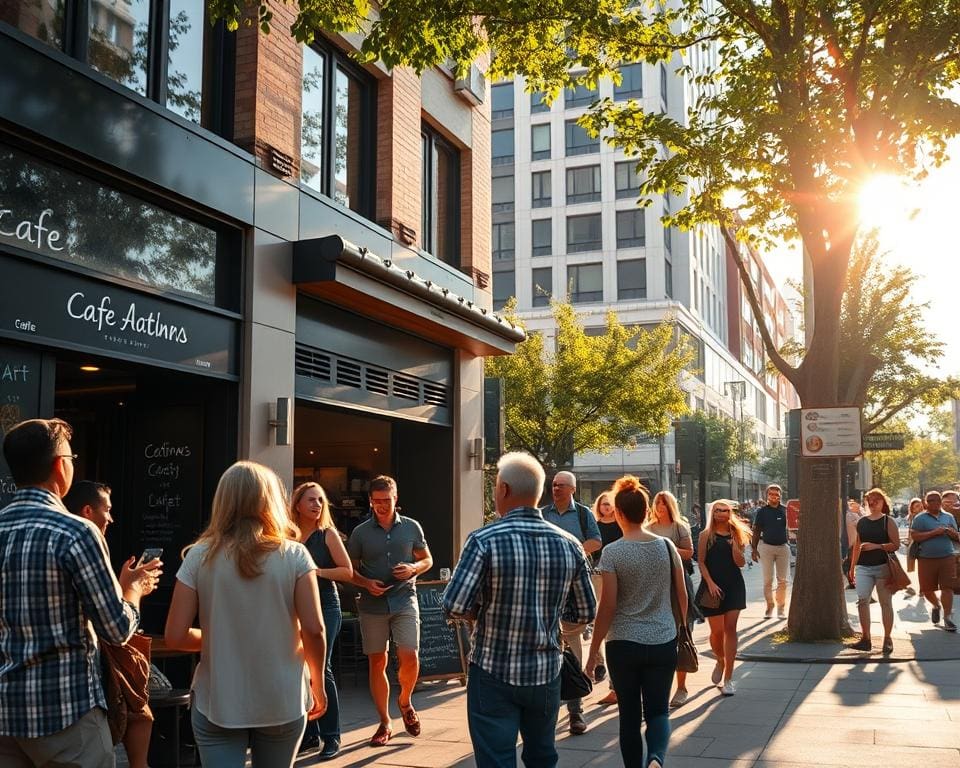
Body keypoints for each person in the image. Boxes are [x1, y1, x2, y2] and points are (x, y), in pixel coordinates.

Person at [0, 418, 158, 768]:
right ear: (60, 465)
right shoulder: (77, 531)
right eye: (71, 457)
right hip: (66, 711)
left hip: (6, 711)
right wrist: (132, 590)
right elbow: (116, 629)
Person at [164, 461, 328, 767]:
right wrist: (317, 681)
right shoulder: (294, 555)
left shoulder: (199, 556)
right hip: (282, 697)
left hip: (219, 697)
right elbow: (314, 629)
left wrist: (221, 638)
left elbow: (175, 635)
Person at [442, 452, 596, 768]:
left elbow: (454, 604)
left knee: (496, 759)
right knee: (542, 756)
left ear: (504, 489)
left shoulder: (484, 540)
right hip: (545, 670)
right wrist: (549, 616)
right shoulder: (569, 544)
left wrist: (477, 612)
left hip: (492, 669)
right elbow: (585, 611)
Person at [585, 476, 685, 768]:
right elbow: (681, 594)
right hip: (662, 640)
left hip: (623, 644)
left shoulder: (613, 552)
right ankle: (656, 757)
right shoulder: (667, 547)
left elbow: (608, 606)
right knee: (658, 712)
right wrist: (677, 630)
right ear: (646, 512)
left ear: (618, 514)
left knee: (628, 717)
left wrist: (593, 653)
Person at [63, 481, 158, 768]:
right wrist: (133, 591)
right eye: (108, 510)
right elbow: (116, 627)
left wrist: (123, 584)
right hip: (79, 692)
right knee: (140, 714)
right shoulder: (82, 539)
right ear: (89, 511)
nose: (112, 518)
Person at [347, 475, 433, 746]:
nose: (382, 506)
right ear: (370, 501)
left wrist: (413, 569)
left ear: (396, 499)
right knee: (378, 661)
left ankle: (405, 701)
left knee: (409, 654)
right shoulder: (360, 532)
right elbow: (350, 569)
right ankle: (385, 722)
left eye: (387, 500)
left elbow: (427, 559)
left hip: (404, 599)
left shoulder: (411, 527)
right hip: (372, 604)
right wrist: (365, 583)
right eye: (376, 501)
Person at [290, 482, 353, 760]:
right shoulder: (288, 536)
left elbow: (348, 572)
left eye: (320, 500)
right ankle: (310, 734)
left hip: (326, 606)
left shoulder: (327, 535)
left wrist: (316, 572)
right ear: (297, 505)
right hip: (294, 608)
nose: (317, 505)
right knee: (300, 669)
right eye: (311, 500)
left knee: (321, 667)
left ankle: (332, 736)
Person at [540, 470, 601, 735]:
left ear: (573, 489)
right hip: (546, 588)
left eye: (561, 485)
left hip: (574, 588)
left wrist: (571, 551)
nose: (556, 489)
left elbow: (596, 541)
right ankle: (547, 711)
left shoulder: (584, 514)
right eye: (553, 485)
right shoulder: (543, 513)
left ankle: (576, 711)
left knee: (572, 650)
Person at [646, 490, 697, 708]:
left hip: (677, 583)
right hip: (653, 584)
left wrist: (667, 547)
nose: (659, 507)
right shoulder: (647, 528)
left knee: (681, 631)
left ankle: (681, 686)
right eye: (657, 503)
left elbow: (689, 552)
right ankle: (658, 686)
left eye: (663, 503)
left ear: (670, 506)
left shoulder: (679, 527)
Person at [696, 499, 750, 696]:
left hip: (734, 585)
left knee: (731, 629)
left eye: (725, 510)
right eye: (718, 510)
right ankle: (720, 659)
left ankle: (728, 677)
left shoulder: (737, 533)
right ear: (713, 513)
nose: (721, 513)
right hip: (713, 587)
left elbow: (741, 563)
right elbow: (701, 562)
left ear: (730, 513)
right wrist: (710, 583)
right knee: (716, 632)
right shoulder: (705, 535)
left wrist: (735, 547)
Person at [847, 488, 901, 653]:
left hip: (883, 566)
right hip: (863, 567)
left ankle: (887, 638)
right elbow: (857, 546)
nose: (872, 502)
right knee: (862, 601)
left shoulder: (888, 521)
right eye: (869, 500)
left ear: (883, 502)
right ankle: (866, 639)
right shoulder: (862, 521)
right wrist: (852, 567)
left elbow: (896, 544)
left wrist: (876, 546)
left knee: (886, 603)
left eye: (876, 499)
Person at [910, 490, 959, 631]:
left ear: (940, 501)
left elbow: (956, 536)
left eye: (936, 500)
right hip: (926, 559)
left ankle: (948, 618)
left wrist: (951, 533)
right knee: (927, 589)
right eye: (930, 500)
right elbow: (915, 536)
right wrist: (934, 533)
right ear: (926, 502)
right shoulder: (920, 518)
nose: (934, 503)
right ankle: (936, 605)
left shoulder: (949, 517)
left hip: (947, 557)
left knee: (947, 588)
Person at [591, 491, 622, 705]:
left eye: (610, 504)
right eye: (603, 504)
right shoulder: (594, 525)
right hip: (597, 574)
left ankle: (605, 665)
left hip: (616, 574)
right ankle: (599, 661)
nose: (607, 507)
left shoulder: (621, 525)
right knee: (597, 617)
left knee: (611, 617)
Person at [750, 484, 791, 619]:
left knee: (783, 580)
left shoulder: (786, 510)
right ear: (767, 495)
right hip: (766, 547)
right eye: (771, 494)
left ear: (780, 495)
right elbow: (756, 531)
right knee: (768, 580)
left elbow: (794, 527)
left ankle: (781, 608)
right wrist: (754, 549)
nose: (774, 496)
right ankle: (769, 606)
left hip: (783, 547)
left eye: (776, 494)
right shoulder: (762, 512)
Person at [843, 497, 864, 589]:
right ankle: (852, 582)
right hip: (849, 543)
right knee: (848, 564)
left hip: (853, 543)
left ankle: (853, 582)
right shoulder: (849, 515)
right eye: (851, 504)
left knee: (851, 564)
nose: (853, 506)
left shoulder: (855, 516)